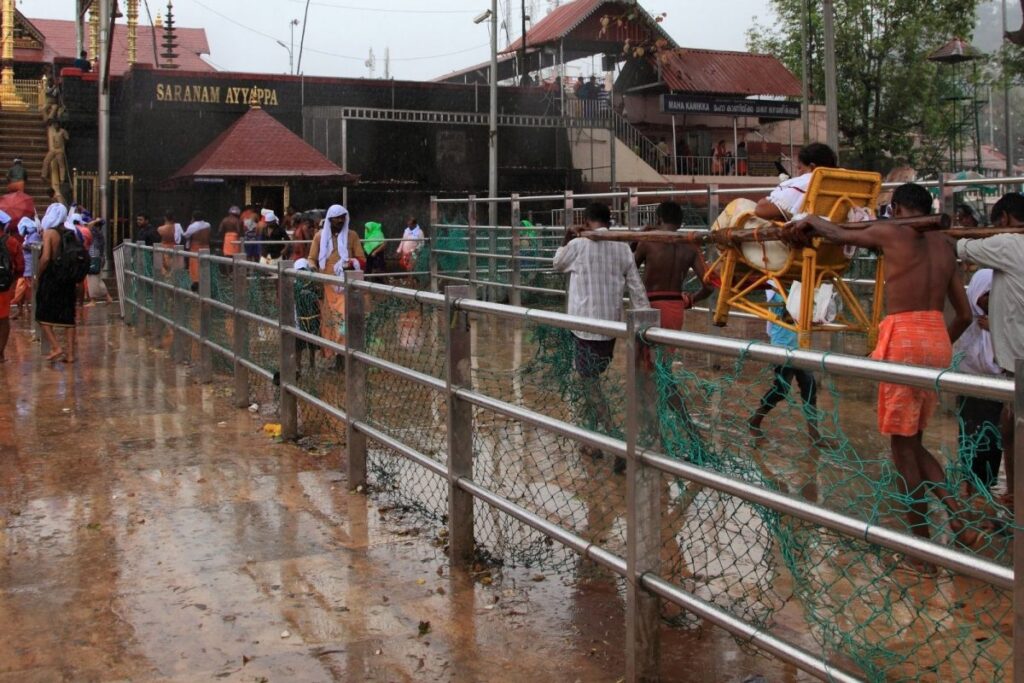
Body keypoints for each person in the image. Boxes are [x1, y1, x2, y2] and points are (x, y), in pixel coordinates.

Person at [785, 183, 975, 556]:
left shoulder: (893, 231)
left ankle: (921, 547)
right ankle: (958, 517)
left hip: (904, 336)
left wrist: (808, 218)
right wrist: (932, 346)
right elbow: (965, 315)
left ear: (900, 209)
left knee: (902, 450)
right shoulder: (946, 245)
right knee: (912, 441)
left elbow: (838, 233)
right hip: (936, 337)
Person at [553, 202, 649, 473]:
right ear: (609, 220)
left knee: (589, 386)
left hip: (584, 327)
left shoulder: (578, 246)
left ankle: (614, 440)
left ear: (586, 220)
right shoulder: (621, 247)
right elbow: (636, 288)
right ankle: (592, 442)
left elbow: (557, 263)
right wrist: (646, 324)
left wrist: (567, 237)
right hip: (610, 329)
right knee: (591, 383)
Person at [955, 192, 1024, 509]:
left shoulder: (1009, 244)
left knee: (1011, 424)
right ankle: (1012, 493)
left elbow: (959, 245)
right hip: (1009, 368)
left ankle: (1015, 495)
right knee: (1008, 424)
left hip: (1017, 363)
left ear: (1006, 221)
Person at [747, 285, 823, 447]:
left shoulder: (802, 286)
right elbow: (789, 310)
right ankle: (755, 420)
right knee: (781, 388)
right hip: (782, 346)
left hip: (800, 346)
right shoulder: (776, 288)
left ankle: (815, 435)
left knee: (809, 388)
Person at [954, 269, 1004, 491]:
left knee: (992, 440)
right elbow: (963, 354)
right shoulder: (967, 322)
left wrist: (998, 330)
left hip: (996, 388)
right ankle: (971, 486)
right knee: (970, 436)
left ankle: (986, 489)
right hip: (970, 387)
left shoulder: (1003, 322)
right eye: (987, 294)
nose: (991, 300)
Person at [634, 201, 712, 335]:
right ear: (680, 223)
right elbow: (709, 286)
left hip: (649, 304)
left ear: (659, 219)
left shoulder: (647, 242)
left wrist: (637, 237)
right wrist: (691, 299)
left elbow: (629, 269)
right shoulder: (691, 247)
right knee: (666, 353)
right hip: (676, 305)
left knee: (643, 353)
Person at [307, 204, 366, 362]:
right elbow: (311, 258)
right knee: (328, 323)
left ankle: (343, 357)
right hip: (326, 286)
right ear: (330, 220)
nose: (340, 220)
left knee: (343, 322)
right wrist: (313, 269)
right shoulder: (320, 236)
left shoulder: (352, 236)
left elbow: (362, 259)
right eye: (337, 218)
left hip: (345, 287)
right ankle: (332, 355)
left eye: (342, 217)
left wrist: (350, 263)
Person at [35, 203, 80, 362]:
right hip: (68, 277)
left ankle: (56, 347)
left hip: (53, 277)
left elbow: (46, 257)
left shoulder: (49, 233)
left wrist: (38, 274)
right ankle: (71, 354)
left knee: (42, 314)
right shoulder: (71, 232)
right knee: (69, 315)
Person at [0, 210, 25, 361]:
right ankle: (1, 353)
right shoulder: (11, 242)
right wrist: (11, 281)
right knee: (3, 319)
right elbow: (20, 266)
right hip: (3, 287)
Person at [292, 258, 322, 376]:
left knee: (312, 342)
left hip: (311, 316)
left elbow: (319, 294)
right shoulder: (294, 284)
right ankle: (298, 366)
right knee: (298, 343)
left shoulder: (312, 283)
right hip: (299, 318)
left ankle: (312, 364)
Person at [11, 216, 40, 320]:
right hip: (25, 267)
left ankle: (27, 309)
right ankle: (22, 309)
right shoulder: (28, 236)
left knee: (27, 290)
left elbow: (36, 248)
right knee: (21, 289)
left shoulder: (35, 235)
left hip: (31, 266)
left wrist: (24, 246)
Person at [85, 218, 113, 305]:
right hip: (96, 258)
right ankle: (107, 297)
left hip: (95, 259)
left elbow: (88, 226)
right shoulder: (97, 234)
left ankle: (93, 300)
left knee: (93, 279)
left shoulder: (97, 233)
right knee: (96, 279)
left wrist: (96, 221)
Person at [184, 211, 211, 285]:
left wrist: (191, 223)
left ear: (193, 218)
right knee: (204, 264)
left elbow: (186, 235)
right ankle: (205, 282)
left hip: (196, 248)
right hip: (206, 247)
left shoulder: (193, 226)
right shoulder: (208, 225)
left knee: (195, 266)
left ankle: (196, 282)